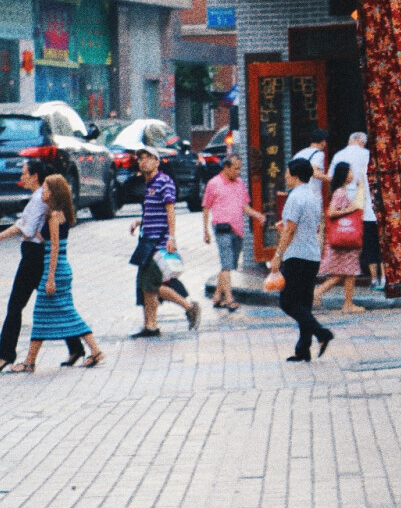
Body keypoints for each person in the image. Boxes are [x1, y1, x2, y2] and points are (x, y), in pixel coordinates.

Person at [0, 159, 85, 371]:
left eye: (24, 173)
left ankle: (6, 355)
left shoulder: (39, 199)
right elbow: (21, 226)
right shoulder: (38, 198)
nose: (22, 177)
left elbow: (25, 230)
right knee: (55, 304)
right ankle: (76, 348)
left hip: (33, 257)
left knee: (16, 305)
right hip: (35, 254)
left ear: (35, 176)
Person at [9, 174, 103, 371]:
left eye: (46, 189)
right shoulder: (59, 214)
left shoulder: (53, 216)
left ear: (54, 193)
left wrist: (50, 278)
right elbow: (52, 241)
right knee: (53, 314)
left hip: (56, 270)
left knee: (51, 313)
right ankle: (31, 361)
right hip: (60, 268)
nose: (42, 192)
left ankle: (30, 362)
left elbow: (54, 249)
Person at [129, 143, 201, 337]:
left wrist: (172, 237)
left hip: (158, 243)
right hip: (147, 242)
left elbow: (170, 210)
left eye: (147, 158)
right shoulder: (149, 184)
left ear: (157, 161)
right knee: (146, 286)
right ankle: (150, 325)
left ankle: (189, 306)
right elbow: (155, 213)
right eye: (140, 158)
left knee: (152, 285)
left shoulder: (164, 181)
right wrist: (139, 221)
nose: (142, 162)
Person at [268, 156, 333, 362]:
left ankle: (321, 332)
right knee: (304, 303)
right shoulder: (313, 196)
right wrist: (286, 227)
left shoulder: (295, 197)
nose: (285, 176)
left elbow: (291, 230)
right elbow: (314, 226)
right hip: (312, 255)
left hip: (296, 255)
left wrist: (278, 255)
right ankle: (303, 349)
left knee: (287, 302)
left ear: (295, 176)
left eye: (287, 173)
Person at [202, 152, 264, 311]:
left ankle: (217, 297)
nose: (238, 172)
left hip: (238, 228)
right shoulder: (213, 183)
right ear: (226, 167)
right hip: (222, 227)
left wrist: (257, 215)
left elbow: (245, 206)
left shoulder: (240, 183)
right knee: (227, 264)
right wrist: (206, 231)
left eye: (239, 169)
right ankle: (229, 300)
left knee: (229, 265)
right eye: (235, 169)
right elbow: (206, 207)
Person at [329, 131, 384, 292]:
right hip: (373, 207)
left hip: (353, 209)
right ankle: (386, 279)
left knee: (367, 245)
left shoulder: (339, 155)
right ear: (362, 142)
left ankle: (374, 279)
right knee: (381, 245)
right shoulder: (368, 155)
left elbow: (332, 178)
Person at [314, 160, 365, 315]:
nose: (352, 174)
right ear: (343, 175)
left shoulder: (340, 191)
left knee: (348, 271)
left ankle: (347, 303)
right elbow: (331, 212)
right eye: (349, 171)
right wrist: (350, 209)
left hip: (343, 240)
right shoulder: (339, 193)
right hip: (343, 240)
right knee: (345, 272)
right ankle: (318, 293)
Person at [294, 128, 328, 204]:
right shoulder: (318, 154)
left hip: (297, 197)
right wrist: (330, 178)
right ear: (323, 141)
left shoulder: (300, 154)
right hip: (312, 196)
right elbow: (314, 172)